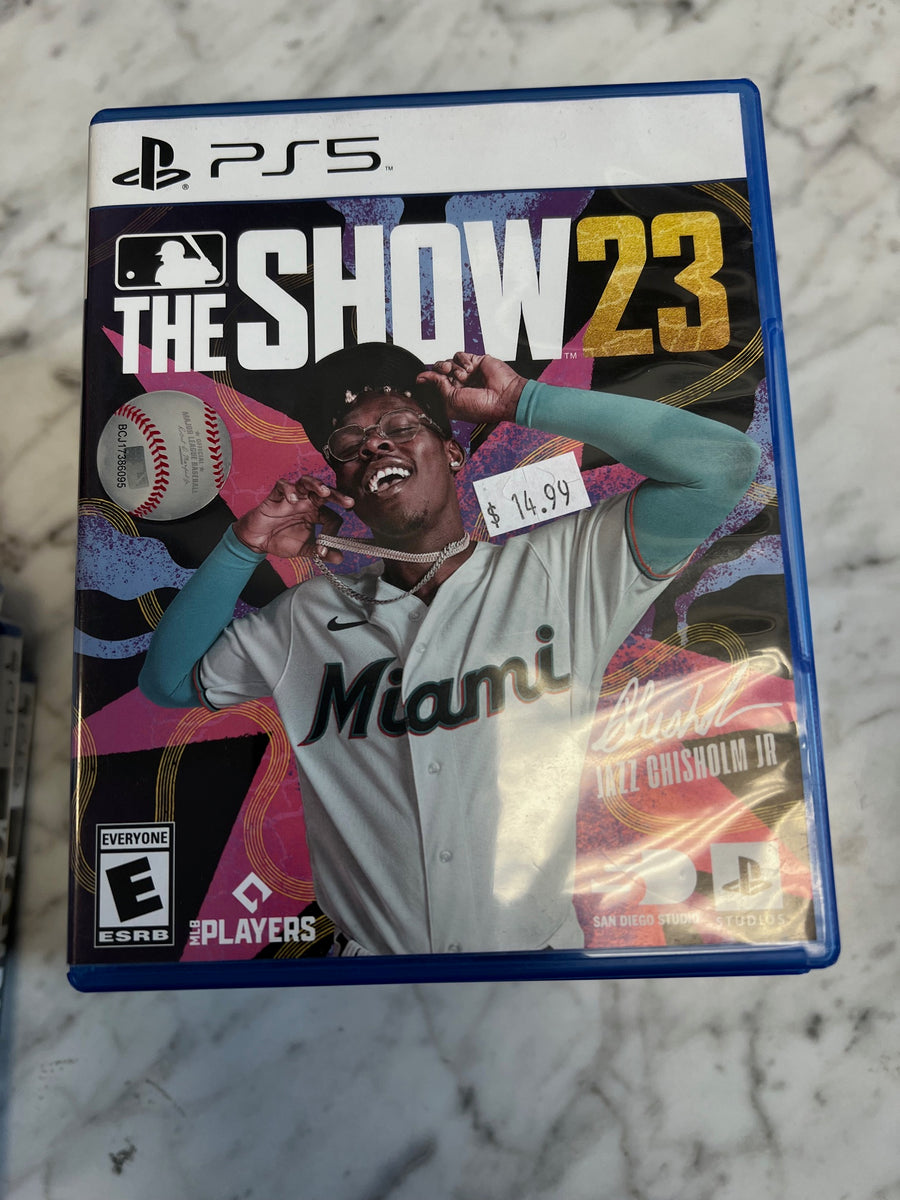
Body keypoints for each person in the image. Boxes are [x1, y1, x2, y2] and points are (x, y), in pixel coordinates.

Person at [139, 343, 760, 957]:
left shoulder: (562, 570)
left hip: (538, 971)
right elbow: (166, 683)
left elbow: (724, 464)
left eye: (400, 426)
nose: (374, 445)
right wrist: (242, 547)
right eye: (350, 444)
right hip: (365, 985)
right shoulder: (305, 619)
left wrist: (522, 400)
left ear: (453, 451)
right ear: (344, 486)